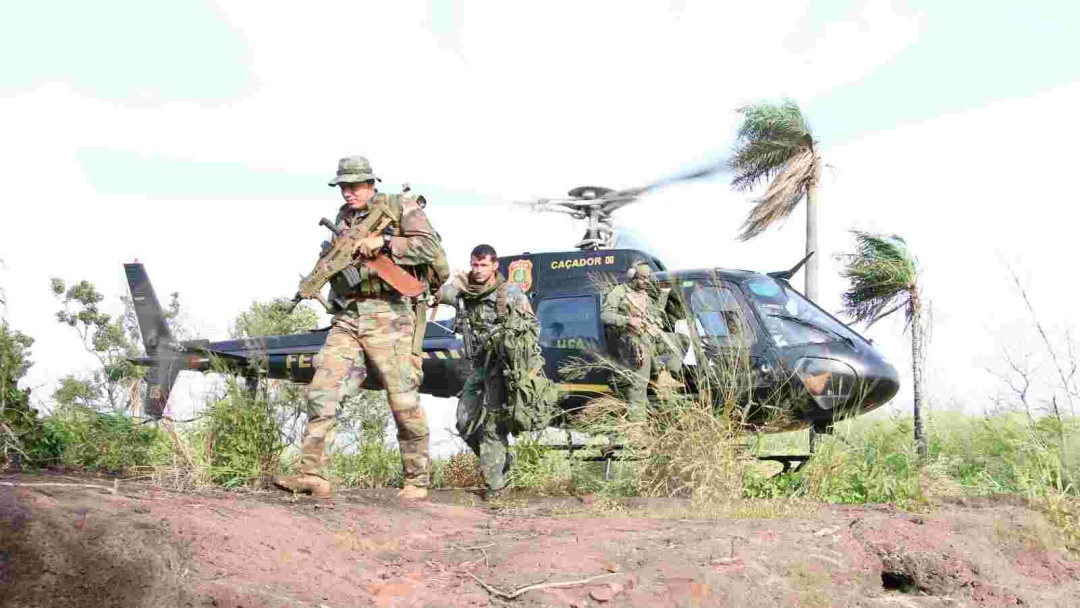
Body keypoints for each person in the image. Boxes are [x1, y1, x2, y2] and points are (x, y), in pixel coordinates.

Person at [274, 155, 447, 500]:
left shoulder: (401, 206)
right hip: (350, 314)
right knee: (322, 389)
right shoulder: (344, 219)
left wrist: (384, 243)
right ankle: (311, 473)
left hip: (391, 315)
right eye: (343, 187)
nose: (348, 193)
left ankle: (417, 480)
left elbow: (430, 247)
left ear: (371, 184)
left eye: (354, 186)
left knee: (402, 398)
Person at [436, 244, 540, 499]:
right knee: (464, 422)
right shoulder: (464, 292)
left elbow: (533, 330)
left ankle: (495, 488)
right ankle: (503, 462)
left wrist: (507, 337)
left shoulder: (512, 295)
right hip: (479, 367)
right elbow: (434, 292)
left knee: (492, 427)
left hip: (503, 368)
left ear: (495, 266)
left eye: (484, 265)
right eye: (475, 265)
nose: (479, 270)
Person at [600, 260, 668, 420]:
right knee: (637, 388)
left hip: (649, 343)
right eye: (643, 278)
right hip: (632, 345)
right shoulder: (619, 292)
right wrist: (627, 320)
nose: (646, 282)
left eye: (648, 278)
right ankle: (637, 432)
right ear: (633, 277)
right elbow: (605, 315)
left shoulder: (645, 295)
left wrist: (664, 294)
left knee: (656, 385)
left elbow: (655, 314)